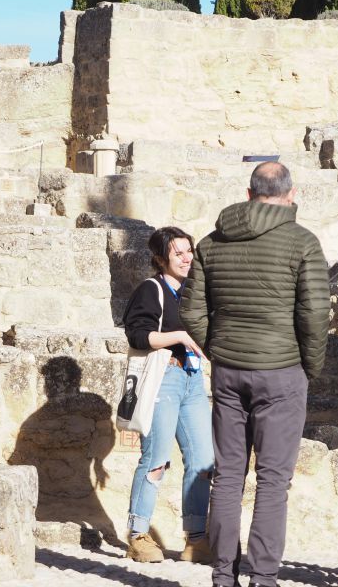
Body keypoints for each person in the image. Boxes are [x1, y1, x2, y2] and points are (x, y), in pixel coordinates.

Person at [179, 161, 330, 587]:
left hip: (228, 371)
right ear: (291, 193)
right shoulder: (303, 242)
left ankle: (223, 574)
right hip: (282, 370)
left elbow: (191, 309)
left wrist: (217, 347)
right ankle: (263, 577)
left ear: (249, 194)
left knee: (227, 476)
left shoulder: (211, 243)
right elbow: (315, 313)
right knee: (273, 480)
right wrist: (310, 365)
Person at [122, 226, 215, 563]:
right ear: (162, 259)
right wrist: (180, 336)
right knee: (156, 459)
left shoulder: (191, 292)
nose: (186, 257)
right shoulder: (152, 289)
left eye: (188, 251)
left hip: (192, 380)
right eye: (178, 253)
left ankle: (196, 538)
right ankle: (138, 534)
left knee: (204, 459)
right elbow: (137, 336)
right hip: (164, 377)